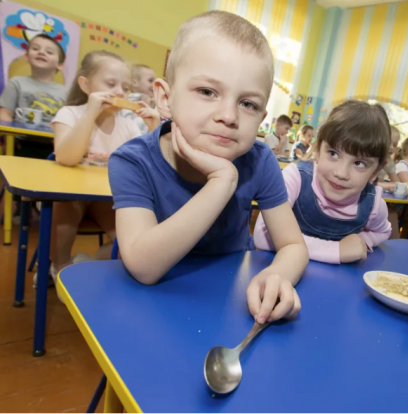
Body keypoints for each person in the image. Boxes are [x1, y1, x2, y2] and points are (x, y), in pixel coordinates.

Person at [108, 11, 309, 325]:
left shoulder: (259, 160)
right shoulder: (132, 161)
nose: (229, 115)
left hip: (227, 302)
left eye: (248, 104)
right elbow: (143, 267)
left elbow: (294, 245)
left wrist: (278, 275)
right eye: (207, 92)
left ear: (261, 117)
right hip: (151, 303)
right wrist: (222, 181)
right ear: (165, 98)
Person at [48, 50, 160, 299]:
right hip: (71, 196)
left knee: (132, 243)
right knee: (62, 212)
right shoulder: (70, 114)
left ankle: (81, 266)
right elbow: (66, 158)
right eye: (111, 84)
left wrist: (154, 129)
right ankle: (60, 265)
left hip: (107, 199)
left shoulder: (128, 125)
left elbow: (149, 164)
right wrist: (90, 113)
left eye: (125, 86)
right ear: (85, 85)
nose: (120, 92)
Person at [254, 100, 392, 264]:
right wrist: (337, 251)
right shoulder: (296, 178)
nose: (341, 173)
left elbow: (384, 232)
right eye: (333, 154)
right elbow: (262, 235)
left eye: (359, 163)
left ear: (376, 171)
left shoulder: (374, 205)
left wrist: (363, 240)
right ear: (318, 149)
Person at [0, 34, 67, 158]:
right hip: (21, 142)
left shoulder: (66, 92)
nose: (41, 52)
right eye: (35, 49)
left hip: (53, 144)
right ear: (27, 56)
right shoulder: (17, 83)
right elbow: (5, 114)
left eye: (49, 52)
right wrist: (7, 138)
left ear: (60, 64)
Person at [120, 64, 158, 134]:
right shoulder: (127, 100)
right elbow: (127, 123)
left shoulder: (153, 101)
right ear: (134, 83)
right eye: (150, 80)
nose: (154, 84)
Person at [376, 125, 401, 192]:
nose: (391, 147)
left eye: (395, 145)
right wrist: (386, 186)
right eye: (388, 143)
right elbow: (365, 184)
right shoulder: (371, 159)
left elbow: (397, 183)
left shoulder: (389, 161)